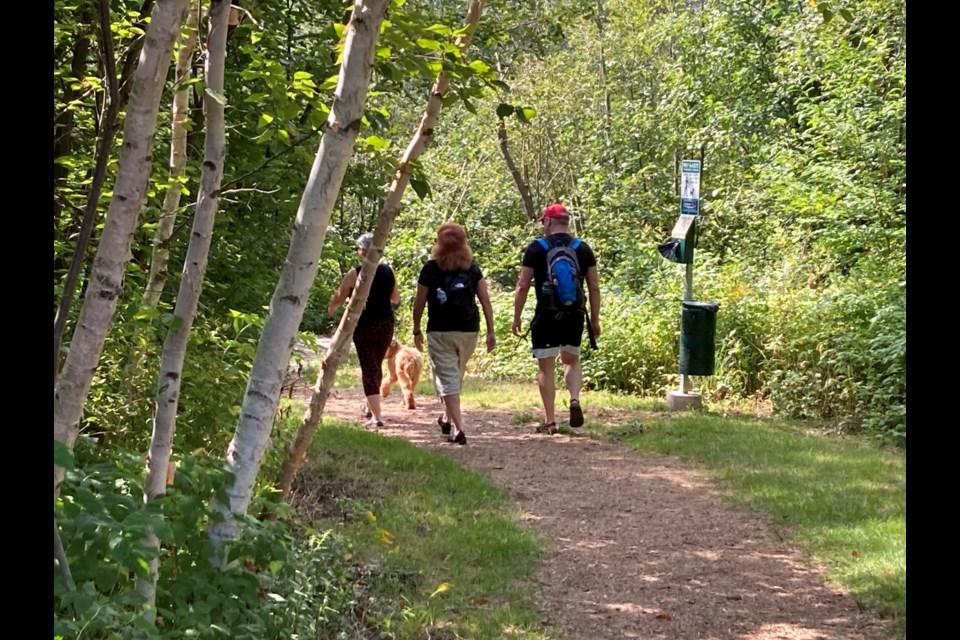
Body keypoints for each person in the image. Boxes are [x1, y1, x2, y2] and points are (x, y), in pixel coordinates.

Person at [511, 203, 601, 434]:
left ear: (549, 222)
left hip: (546, 314)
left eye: (544, 221)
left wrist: (517, 317)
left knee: (546, 367)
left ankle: (550, 420)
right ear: (566, 222)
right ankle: (574, 399)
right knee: (571, 360)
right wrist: (595, 320)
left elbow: (522, 286)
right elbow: (594, 288)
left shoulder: (536, 248)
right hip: (575, 313)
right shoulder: (582, 248)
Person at [412, 222, 496, 445]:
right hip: (469, 331)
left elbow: (419, 303)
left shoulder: (430, 269)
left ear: (438, 244)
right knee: (455, 376)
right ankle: (446, 418)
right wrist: (490, 331)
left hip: (440, 331)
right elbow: (485, 301)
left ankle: (459, 429)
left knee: (448, 379)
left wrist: (416, 329)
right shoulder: (472, 269)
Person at [327, 232, 401, 429]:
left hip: (365, 325)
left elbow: (340, 295)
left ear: (362, 251)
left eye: (359, 248)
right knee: (375, 365)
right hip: (385, 323)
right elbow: (395, 298)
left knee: (369, 368)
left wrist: (332, 307)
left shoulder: (355, 273)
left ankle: (376, 417)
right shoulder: (387, 271)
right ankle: (370, 408)